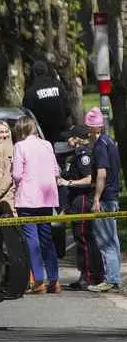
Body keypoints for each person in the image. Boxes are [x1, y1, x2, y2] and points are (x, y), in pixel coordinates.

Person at [11, 115, 61, 294]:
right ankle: (54, 279)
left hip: (28, 198)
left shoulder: (20, 146)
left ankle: (38, 280)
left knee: (32, 240)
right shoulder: (47, 145)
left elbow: (17, 174)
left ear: (20, 130)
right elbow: (56, 170)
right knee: (47, 238)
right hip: (47, 197)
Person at [57, 124, 104, 289]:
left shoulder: (85, 154)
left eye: (69, 137)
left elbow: (89, 178)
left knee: (84, 238)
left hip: (83, 199)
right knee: (80, 238)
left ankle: (91, 276)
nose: (67, 140)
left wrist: (67, 182)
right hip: (76, 199)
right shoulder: (77, 153)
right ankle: (85, 273)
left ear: (77, 138)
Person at [83, 108, 122, 293]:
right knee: (113, 240)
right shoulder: (110, 143)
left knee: (105, 241)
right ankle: (114, 277)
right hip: (113, 195)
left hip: (105, 198)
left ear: (91, 128)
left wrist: (96, 198)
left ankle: (110, 279)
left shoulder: (99, 146)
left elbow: (102, 173)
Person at [22, 60, 70, 144]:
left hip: (42, 134)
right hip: (61, 132)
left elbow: (27, 113)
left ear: (34, 73)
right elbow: (68, 108)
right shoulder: (58, 85)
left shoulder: (31, 91)